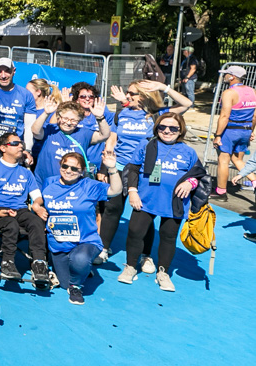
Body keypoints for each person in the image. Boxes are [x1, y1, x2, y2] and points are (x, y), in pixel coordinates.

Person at [119, 111, 205, 291]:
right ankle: (130, 267)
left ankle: (163, 273)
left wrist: (190, 183)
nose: (167, 131)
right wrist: (132, 191)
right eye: (162, 127)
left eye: (173, 128)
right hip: (145, 199)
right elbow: (133, 169)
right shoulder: (146, 145)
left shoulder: (188, 151)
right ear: (156, 127)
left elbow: (198, 174)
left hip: (174, 203)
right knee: (135, 232)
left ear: (180, 130)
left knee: (168, 237)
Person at [40, 150, 123, 305]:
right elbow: (40, 203)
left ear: (82, 171)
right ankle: (81, 270)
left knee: (79, 262)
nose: (68, 171)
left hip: (85, 240)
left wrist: (112, 168)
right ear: (60, 166)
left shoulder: (88, 185)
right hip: (59, 243)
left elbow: (115, 190)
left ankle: (77, 284)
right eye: (65, 166)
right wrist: (38, 210)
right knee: (64, 283)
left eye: (74, 169)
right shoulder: (49, 183)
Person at [100, 81, 165, 267]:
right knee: (112, 208)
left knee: (145, 212)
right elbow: (112, 140)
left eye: (132, 93)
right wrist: (106, 168)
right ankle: (103, 249)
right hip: (119, 166)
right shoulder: (121, 114)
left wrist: (163, 87)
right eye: (127, 92)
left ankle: (146, 256)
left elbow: (184, 105)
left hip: (147, 170)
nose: (127, 96)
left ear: (144, 96)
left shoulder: (155, 115)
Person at [0, 132, 48, 281]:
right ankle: (7, 262)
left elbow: (37, 195)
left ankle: (39, 262)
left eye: (21, 143)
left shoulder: (26, 172)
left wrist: (37, 205)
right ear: (3, 148)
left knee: (36, 221)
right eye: (15, 143)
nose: (21, 146)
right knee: (11, 224)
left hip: (20, 210)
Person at [30, 98, 111, 186]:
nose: (68, 123)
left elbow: (104, 135)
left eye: (73, 120)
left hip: (73, 187)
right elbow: (35, 131)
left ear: (79, 121)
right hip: (45, 184)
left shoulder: (84, 133)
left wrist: (100, 118)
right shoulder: (50, 130)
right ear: (58, 117)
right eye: (65, 118)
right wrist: (46, 113)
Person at [213, 65, 255, 196]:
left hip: (230, 130)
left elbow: (224, 116)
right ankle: (254, 181)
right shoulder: (252, 91)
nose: (224, 76)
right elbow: (254, 116)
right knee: (237, 159)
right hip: (245, 129)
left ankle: (221, 192)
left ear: (232, 77)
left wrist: (218, 135)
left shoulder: (229, 93)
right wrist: (251, 131)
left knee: (223, 160)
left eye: (226, 74)